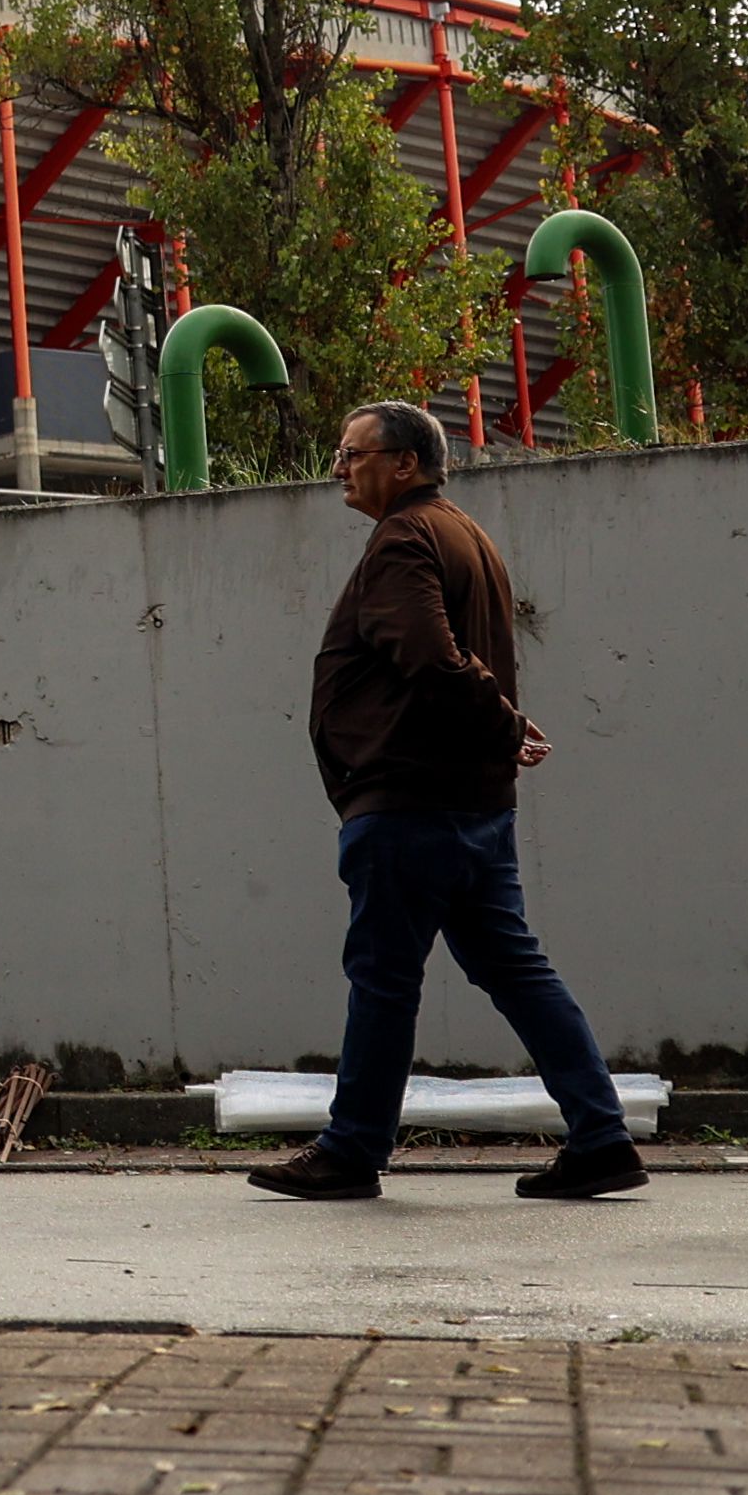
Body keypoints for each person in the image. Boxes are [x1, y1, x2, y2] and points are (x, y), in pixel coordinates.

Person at [250, 401, 640, 1204]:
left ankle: (353, 1147)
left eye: (351, 452)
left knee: (385, 978)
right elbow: (465, 660)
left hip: (409, 802)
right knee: (516, 968)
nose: (338, 467)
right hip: (472, 803)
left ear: (402, 462)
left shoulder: (401, 538)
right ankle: (601, 1135)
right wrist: (501, 728)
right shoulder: (464, 531)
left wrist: (498, 723)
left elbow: (429, 657)